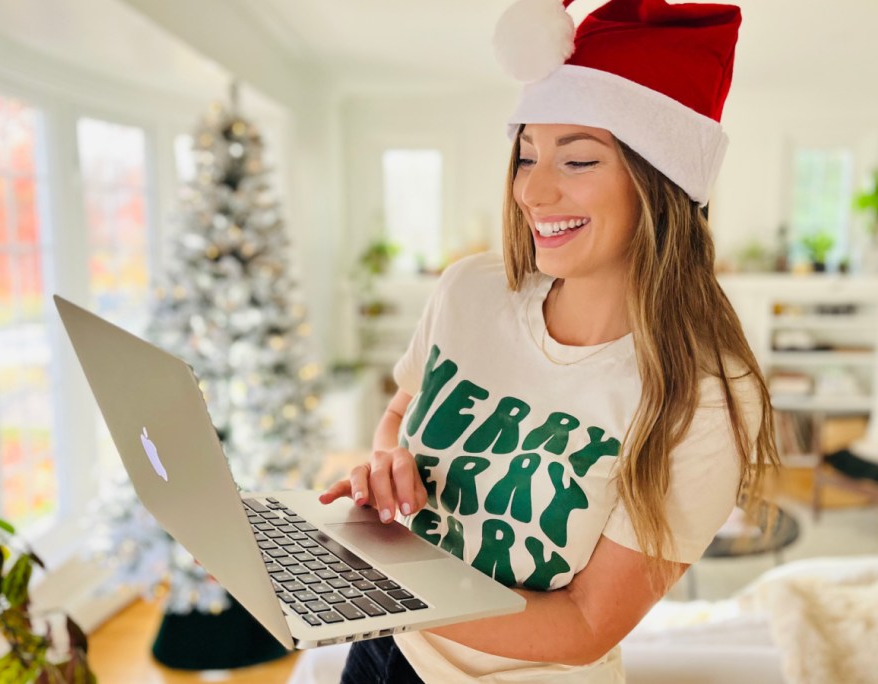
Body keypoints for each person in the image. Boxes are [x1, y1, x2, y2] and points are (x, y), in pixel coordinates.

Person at [320, 0, 780, 681]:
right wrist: (387, 469)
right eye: (525, 155)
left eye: (578, 161)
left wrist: (392, 586)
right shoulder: (469, 289)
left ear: (660, 183)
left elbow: (586, 626)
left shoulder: (707, 400)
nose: (531, 190)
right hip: (381, 646)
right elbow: (399, 416)